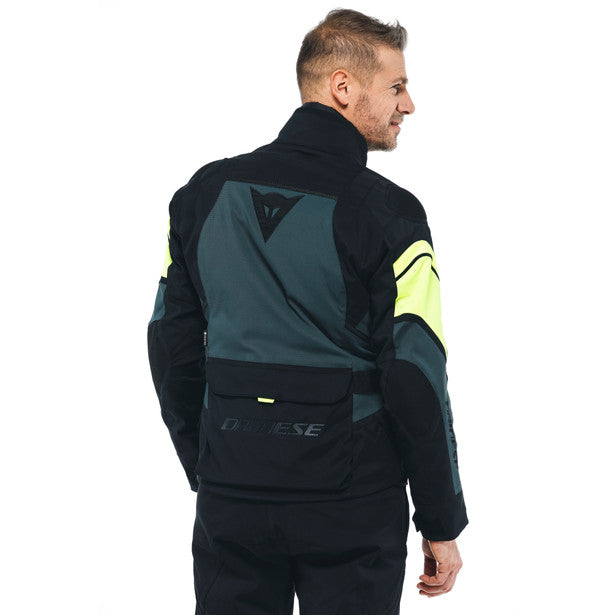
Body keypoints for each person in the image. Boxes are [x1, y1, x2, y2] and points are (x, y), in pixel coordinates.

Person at [147, 8, 468, 614]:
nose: (409, 104)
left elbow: (170, 345)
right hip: (352, 504)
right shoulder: (391, 214)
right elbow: (415, 374)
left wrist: (210, 464)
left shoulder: (204, 195)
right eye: (397, 86)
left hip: (232, 493)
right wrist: (441, 518)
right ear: (343, 87)